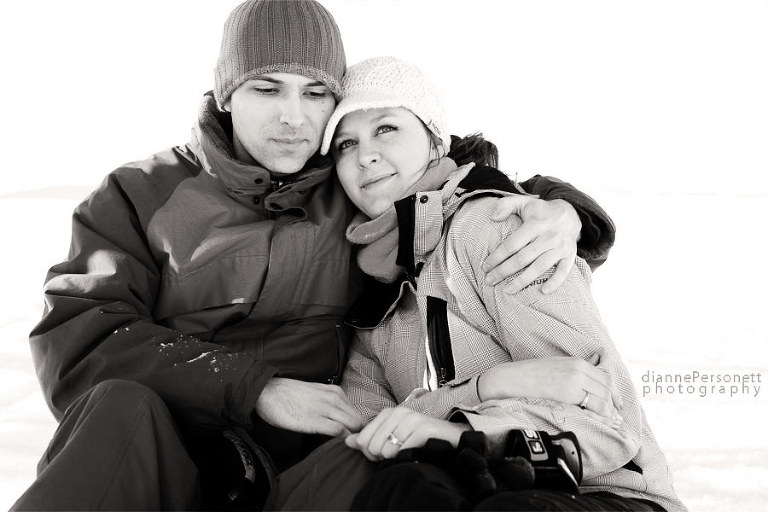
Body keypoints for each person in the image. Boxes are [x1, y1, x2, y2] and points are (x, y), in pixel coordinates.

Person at [12, 2, 616, 511]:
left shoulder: (353, 186)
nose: (293, 117)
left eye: (316, 93)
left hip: (311, 463)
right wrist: (257, 388)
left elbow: (460, 182)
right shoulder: (140, 194)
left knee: (406, 470)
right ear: (227, 94)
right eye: (267, 88)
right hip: (167, 443)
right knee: (118, 407)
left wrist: (565, 211)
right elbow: (81, 339)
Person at [266, 57, 685, 511]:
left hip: (604, 493)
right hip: (480, 483)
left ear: (433, 141)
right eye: (346, 143)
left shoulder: (494, 228)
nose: (364, 155)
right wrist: (486, 389)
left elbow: (608, 429)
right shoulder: (374, 291)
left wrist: (461, 430)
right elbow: (378, 431)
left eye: (386, 128)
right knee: (401, 491)